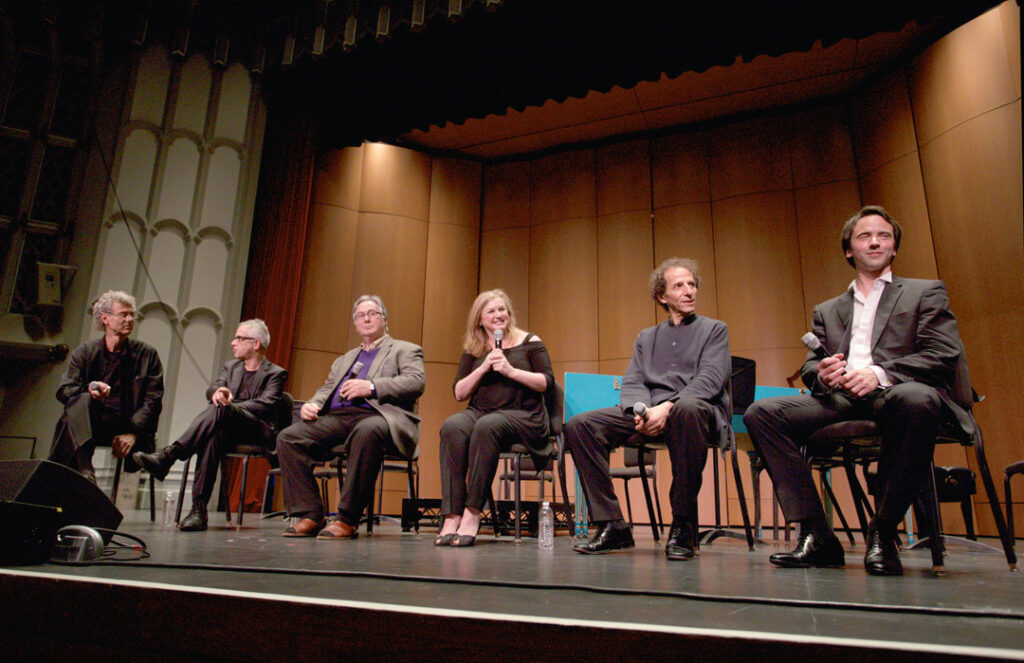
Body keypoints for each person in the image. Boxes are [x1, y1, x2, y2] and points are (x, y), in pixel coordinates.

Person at [743, 205, 966, 576]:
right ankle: (817, 534)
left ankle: (883, 530)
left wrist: (879, 373)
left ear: (894, 247)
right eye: (865, 236)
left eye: (884, 236)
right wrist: (823, 375)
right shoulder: (828, 310)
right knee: (761, 413)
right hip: (842, 399)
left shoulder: (924, 292)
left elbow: (942, 354)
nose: (875, 242)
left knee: (918, 399)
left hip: (898, 394)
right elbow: (811, 366)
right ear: (849, 249)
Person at [566, 258, 730, 560]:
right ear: (661, 296)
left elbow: (710, 379)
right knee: (580, 424)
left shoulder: (714, 330)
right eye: (679, 286)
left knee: (688, 410)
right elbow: (634, 381)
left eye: (692, 284)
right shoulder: (646, 337)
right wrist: (639, 414)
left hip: (694, 412)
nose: (689, 291)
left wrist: (666, 407)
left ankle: (683, 525)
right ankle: (612, 524)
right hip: (649, 413)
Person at [275, 295, 425, 539]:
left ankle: (347, 518)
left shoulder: (405, 350)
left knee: (367, 431)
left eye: (373, 313)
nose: (366, 318)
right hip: (339, 418)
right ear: (355, 324)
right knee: (288, 437)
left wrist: (372, 387)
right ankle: (311, 514)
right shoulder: (344, 359)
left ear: (385, 319)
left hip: (380, 417)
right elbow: (327, 389)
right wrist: (313, 403)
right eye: (360, 315)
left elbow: (416, 382)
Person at [131, 319, 287, 531]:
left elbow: (265, 405)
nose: (233, 342)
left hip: (255, 431)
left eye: (239, 338)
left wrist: (230, 405)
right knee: (212, 435)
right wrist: (217, 393)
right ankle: (198, 510)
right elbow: (214, 387)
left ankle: (170, 455)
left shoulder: (275, 373)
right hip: (227, 428)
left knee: (220, 410)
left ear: (256, 344)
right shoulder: (231, 367)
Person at [436, 290, 555, 547]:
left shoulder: (530, 341)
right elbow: (459, 392)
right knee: (452, 427)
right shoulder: (474, 348)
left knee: (486, 427)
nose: (498, 315)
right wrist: (483, 367)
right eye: (491, 311)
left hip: (522, 415)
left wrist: (510, 371)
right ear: (479, 319)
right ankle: (452, 513)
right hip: (481, 411)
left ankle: (472, 512)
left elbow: (546, 382)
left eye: (502, 309)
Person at [48, 290, 163, 484]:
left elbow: (153, 400)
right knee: (80, 401)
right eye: (123, 314)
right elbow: (64, 390)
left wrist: (132, 433)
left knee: (69, 423)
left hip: (127, 424)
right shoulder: (84, 352)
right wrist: (90, 390)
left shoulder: (147, 355)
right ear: (105, 318)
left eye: (131, 314)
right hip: (92, 423)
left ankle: (67, 477)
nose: (129, 319)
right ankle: (85, 468)